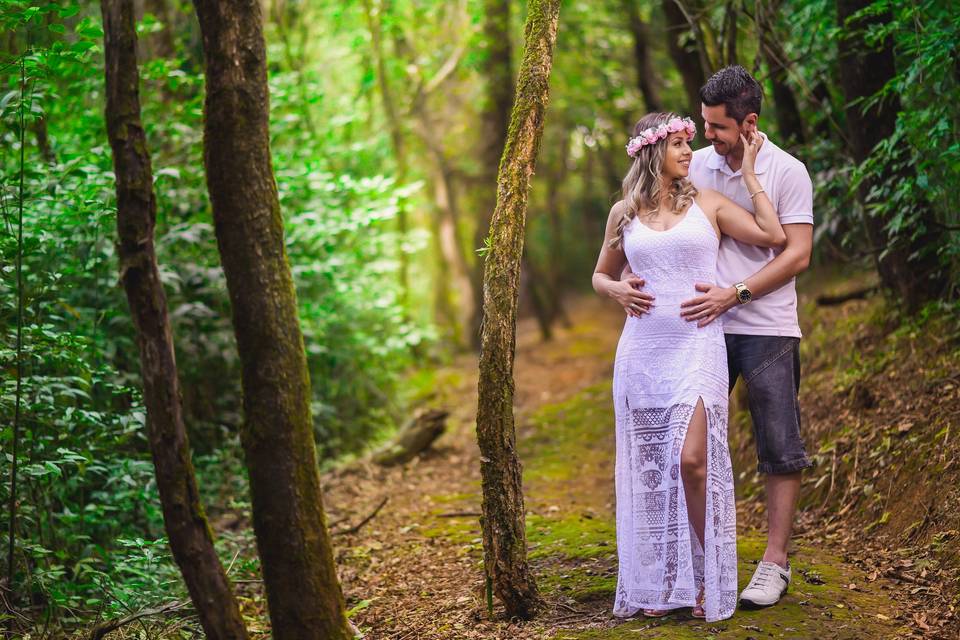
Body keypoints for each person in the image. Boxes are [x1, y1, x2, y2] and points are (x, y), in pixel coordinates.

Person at [592, 111, 785, 622]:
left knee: (692, 460)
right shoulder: (623, 213)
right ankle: (659, 583)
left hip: (698, 344)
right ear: (653, 151)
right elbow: (600, 276)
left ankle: (707, 574)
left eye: (687, 142)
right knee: (652, 468)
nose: (687, 151)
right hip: (642, 349)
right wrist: (615, 290)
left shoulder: (708, 202)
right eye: (678, 143)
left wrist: (749, 176)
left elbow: (773, 235)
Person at [678, 65, 815, 609]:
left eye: (717, 127)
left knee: (779, 445)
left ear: (749, 121)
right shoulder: (698, 169)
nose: (706, 136)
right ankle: (704, 562)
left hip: (766, 326)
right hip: (704, 327)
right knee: (690, 446)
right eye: (704, 125)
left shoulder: (788, 171)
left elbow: (796, 254)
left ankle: (774, 564)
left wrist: (734, 293)